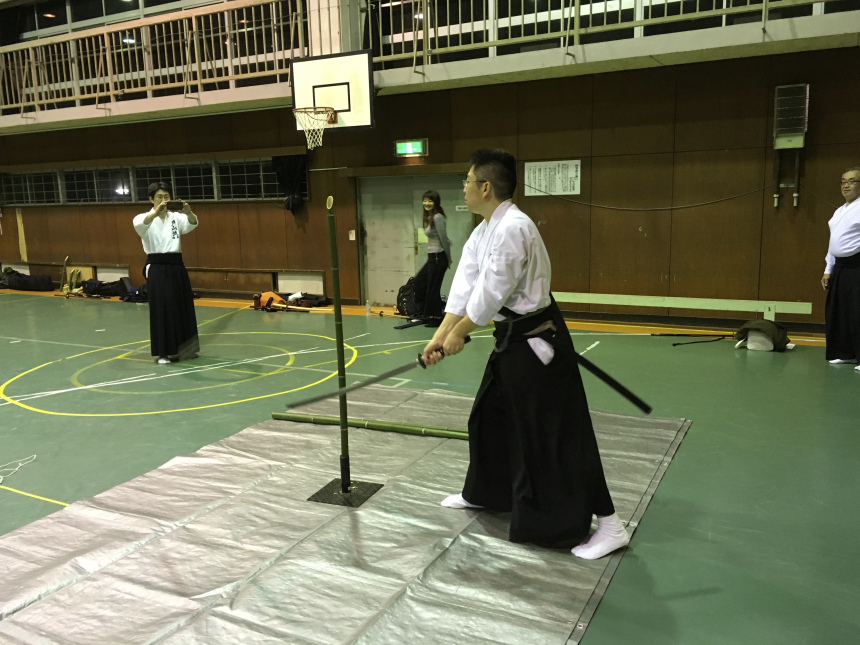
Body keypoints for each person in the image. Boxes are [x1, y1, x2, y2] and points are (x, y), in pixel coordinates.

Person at [422, 149, 629, 560]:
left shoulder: (514, 228)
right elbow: (464, 289)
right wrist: (440, 336)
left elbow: (491, 294)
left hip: (538, 343)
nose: (463, 188)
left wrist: (459, 335)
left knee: (557, 435)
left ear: (486, 187)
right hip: (510, 341)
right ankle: (486, 492)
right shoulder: (483, 230)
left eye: (467, 181)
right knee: (488, 418)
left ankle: (610, 524)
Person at [133, 181, 200, 365]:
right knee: (162, 308)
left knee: (182, 305)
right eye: (159, 197)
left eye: (166, 196)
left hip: (176, 264)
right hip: (157, 265)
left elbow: (192, 223)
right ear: (151, 199)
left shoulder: (176, 217)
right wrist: (156, 213)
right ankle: (163, 352)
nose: (163, 200)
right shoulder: (142, 218)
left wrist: (189, 212)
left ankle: (185, 349)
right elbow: (141, 226)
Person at [821, 167, 860, 369]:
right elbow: (833, 242)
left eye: (852, 181)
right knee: (840, 311)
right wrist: (828, 269)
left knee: (857, 312)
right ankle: (846, 353)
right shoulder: (839, 211)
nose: (846, 185)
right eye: (843, 181)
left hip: (858, 266)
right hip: (841, 267)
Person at [411, 190, 452, 327]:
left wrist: (448, 258)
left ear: (436, 202)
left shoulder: (438, 217)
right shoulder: (430, 217)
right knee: (419, 283)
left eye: (430, 201)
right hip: (432, 257)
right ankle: (427, 313)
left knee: (433, 288)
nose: (426, 203)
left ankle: (436, 317)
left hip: (438, 256)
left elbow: (444, 239)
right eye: (424, 200)